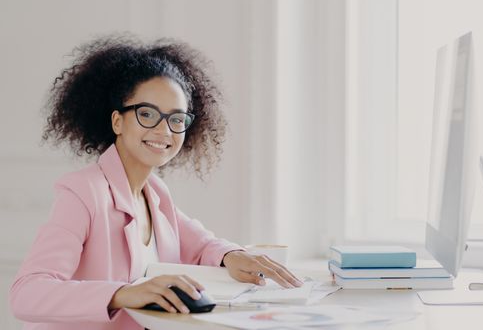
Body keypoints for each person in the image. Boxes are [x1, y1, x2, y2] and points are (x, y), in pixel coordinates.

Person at [9, 36, 302, 330]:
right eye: (147, 114)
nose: (164, 130)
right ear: (117, 122)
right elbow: (27, 293)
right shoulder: (84, 193)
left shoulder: (155, 194)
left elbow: (202, 245)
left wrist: (231, 255)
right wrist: (121, 294)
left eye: (176, 119)